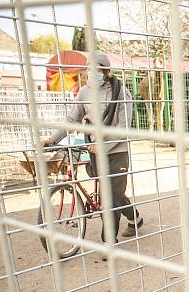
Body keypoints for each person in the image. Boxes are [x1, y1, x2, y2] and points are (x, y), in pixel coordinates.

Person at [44, 51, 143, 242]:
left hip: (117, 152)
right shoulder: (84, 92)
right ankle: (135, 219)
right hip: (94, 152)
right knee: (113, 192)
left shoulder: (121, 92)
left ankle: (108, 241)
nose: (91, 72)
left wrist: (104, 146)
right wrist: (53, 139)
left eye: (96, 69)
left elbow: (125, 127)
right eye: (89, 68)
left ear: (105, 71)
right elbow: (72, 120)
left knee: (111, 198)